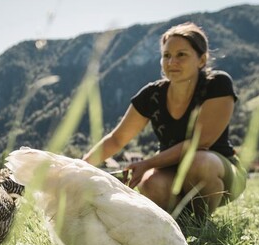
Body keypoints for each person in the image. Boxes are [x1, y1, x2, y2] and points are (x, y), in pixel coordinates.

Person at [83, 22, 247, 219]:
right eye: (166, 55)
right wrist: (79, 167)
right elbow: (117, 139)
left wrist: (147, 163)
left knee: (198, 161)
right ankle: (182, 224)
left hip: (217, 169)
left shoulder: (217, 84)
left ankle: (202, 225)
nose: (172, 62)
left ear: (202, 60)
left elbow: (200, 142)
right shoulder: (152, 95)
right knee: (150, 182)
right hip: (172, 172)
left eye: (181, 55)